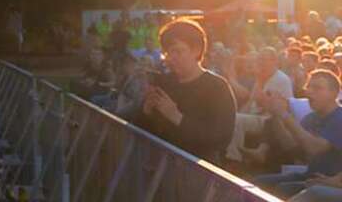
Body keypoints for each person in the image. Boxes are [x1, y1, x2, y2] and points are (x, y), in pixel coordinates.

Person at [137, 18, 236, 163]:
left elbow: (220, 138)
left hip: (199, 171)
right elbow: (145, 130)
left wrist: (176, 116)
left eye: (178, 51)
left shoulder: (217, 87)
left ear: (196, 50)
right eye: (168, 53)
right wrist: (146, 111)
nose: (171, 58)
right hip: (161, 165)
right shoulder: (165, 83)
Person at [257, 70, 342, 198]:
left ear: (334, 93)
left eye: (317, 88)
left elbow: (313, 149)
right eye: (309, 87)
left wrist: (285, 116)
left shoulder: (339, 117)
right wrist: (276, 115)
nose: (310, 92)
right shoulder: (311, 118)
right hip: (312, 175)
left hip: (332, 179)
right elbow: (291, 149)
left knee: (286, 189)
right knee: (259, 181)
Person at [225, 46, 294, 164]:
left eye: (264, 59)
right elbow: (250, 102)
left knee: (237, 120)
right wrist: (238, 113)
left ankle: (234, 160)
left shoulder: (280, 79)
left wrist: (260, 84)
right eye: (259, 59)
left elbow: (269, 107)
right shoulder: (262, 78)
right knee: (232, 116)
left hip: (270, 120)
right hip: (257, 116)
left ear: (274, 61)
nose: (260, 63)